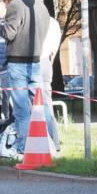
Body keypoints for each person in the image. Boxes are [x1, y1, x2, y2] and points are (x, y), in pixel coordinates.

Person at [0, 0, 49, 157]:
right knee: (41, 106)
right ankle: (49, 147)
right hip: (35, 61)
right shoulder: (40, 5)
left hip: (18, 63)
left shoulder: (16, 5)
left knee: (21, 109)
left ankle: (23, 150)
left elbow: (9, 33)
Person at [40, 11, 62, 150]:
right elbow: (54, 49)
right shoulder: (53, 23)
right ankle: (54, 142)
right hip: (46, 61)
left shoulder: (36, 20)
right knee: (47, 104)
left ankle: (47, 142)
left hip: (37, 61)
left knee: (34, 105)